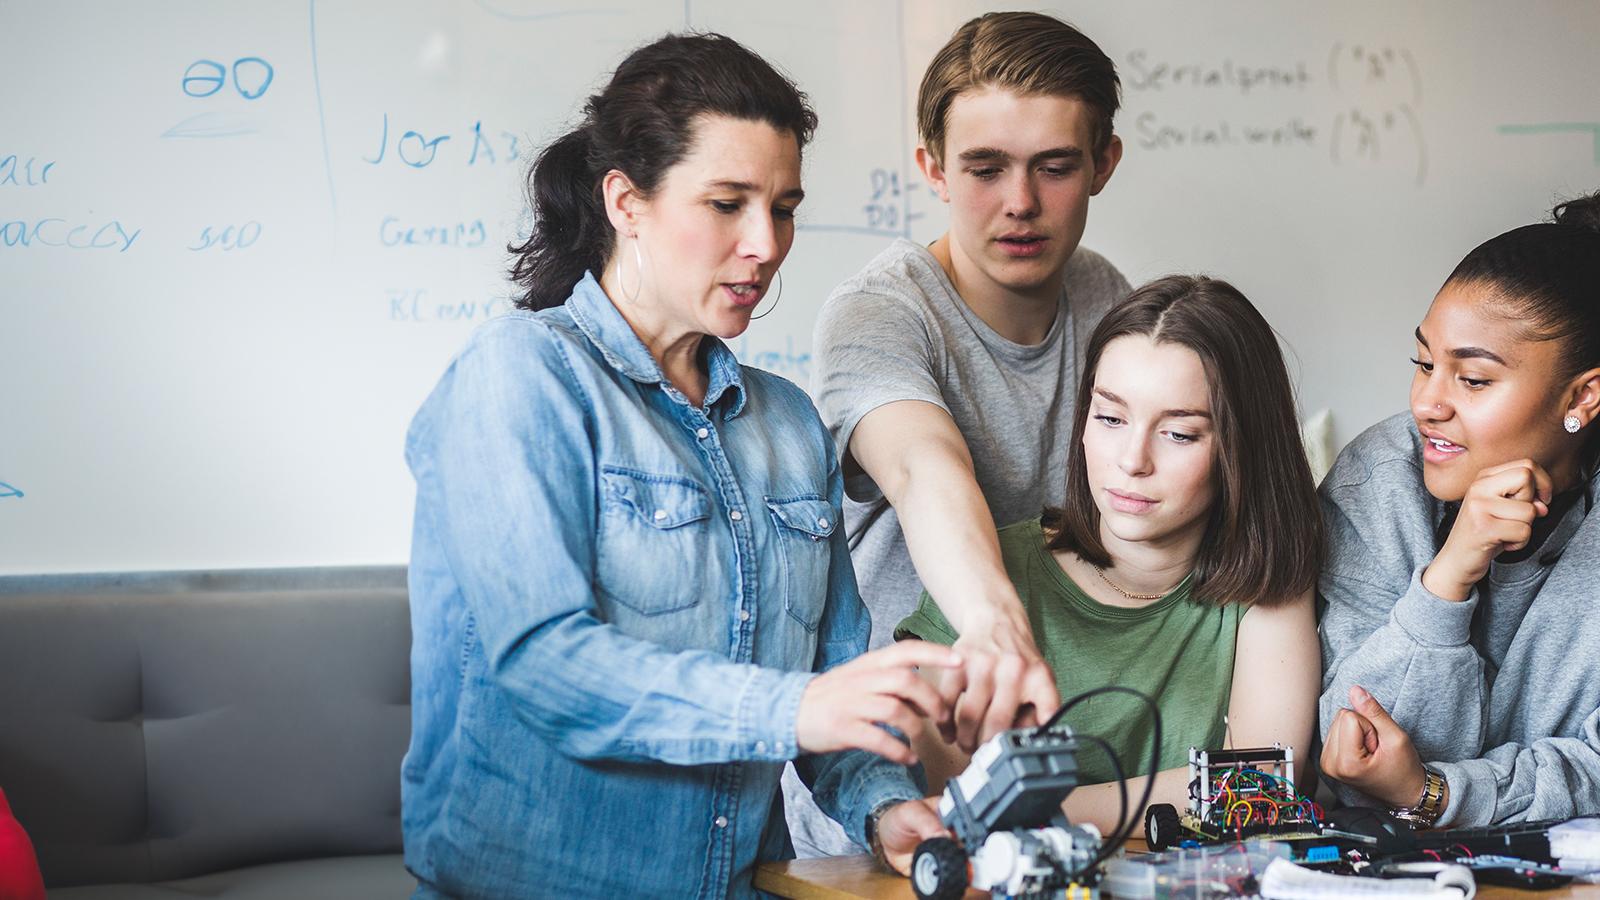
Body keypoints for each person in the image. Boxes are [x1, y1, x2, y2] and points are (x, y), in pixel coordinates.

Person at [401, 34, 963, 899]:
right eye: (727, 203)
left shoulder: (787, 424)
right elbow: (546, 666)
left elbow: (832, 692)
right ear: (626, 200)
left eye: (782, 207)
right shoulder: (520, 375)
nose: (765, 244)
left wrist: (888, 808)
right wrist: (789, 709)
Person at [790, 10, 1131, 855]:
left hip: (1052, 770)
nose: (1020, 203)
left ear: (1103, 166)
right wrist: (991, 626)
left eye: (1055, 167)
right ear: (933, 169)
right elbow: (923, 468)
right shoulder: (880, 311)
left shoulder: (1106, 297)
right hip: (886, 787)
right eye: (986, 168)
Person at [896, 276, 1323, 836]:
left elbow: (1260, 788)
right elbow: (945, 803)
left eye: (1179, 433)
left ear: (1242, 449)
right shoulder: (982, 572)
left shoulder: (1265, 580)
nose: (1132, 460)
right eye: (1111, 418)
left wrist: (1036, 811)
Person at [1319, 192, 1600, 828]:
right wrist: (1448, 579)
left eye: (1472, 380)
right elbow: (1347, 749)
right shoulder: (1380, 479)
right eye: (1423, 364)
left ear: (1583, 395)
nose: (1427, 403)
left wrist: (1438, 793)